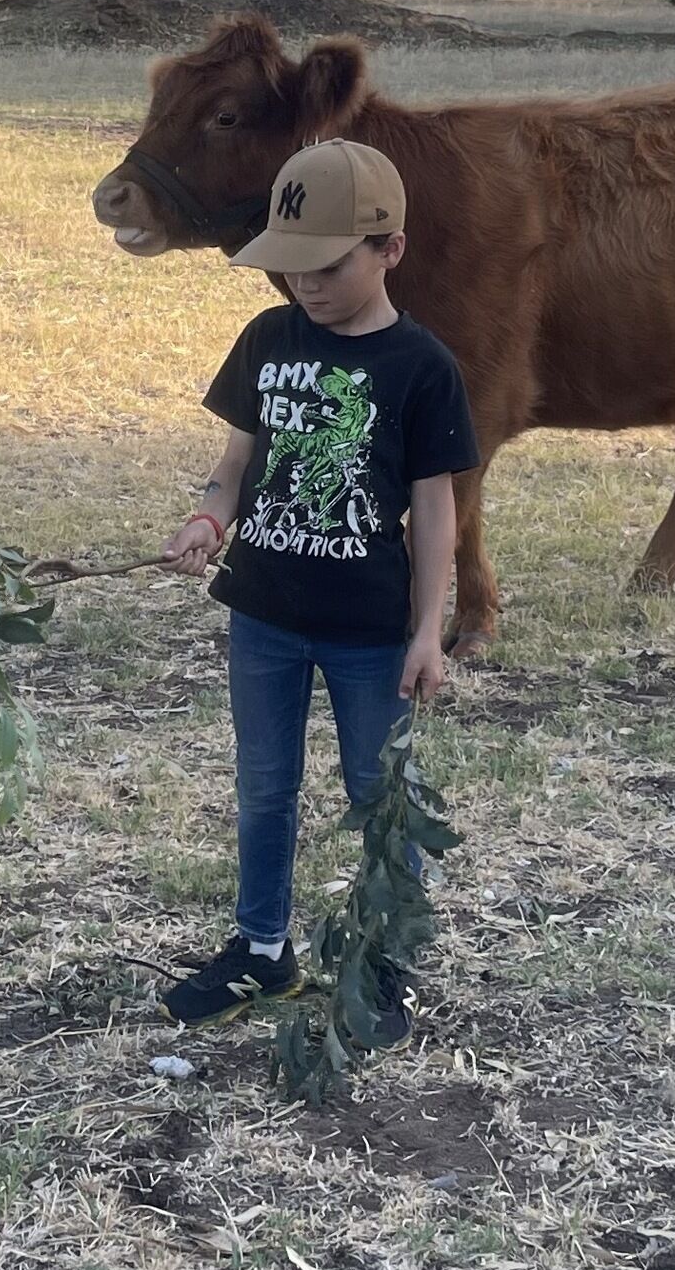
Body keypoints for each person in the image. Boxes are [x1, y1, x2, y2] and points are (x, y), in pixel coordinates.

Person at [156, 138, 477, 1029]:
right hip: (262, 616)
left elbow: (436, 513)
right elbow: (233, 468)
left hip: (369, 630)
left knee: (378, 796)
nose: (306, 284)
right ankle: (261, 951)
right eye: (291, 265)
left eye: (329, 265)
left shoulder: (422, 368)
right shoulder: (268, 340)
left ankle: (387, 958)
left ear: (391, 251)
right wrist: (208, 520)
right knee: (264, 784)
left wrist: (426, 631)